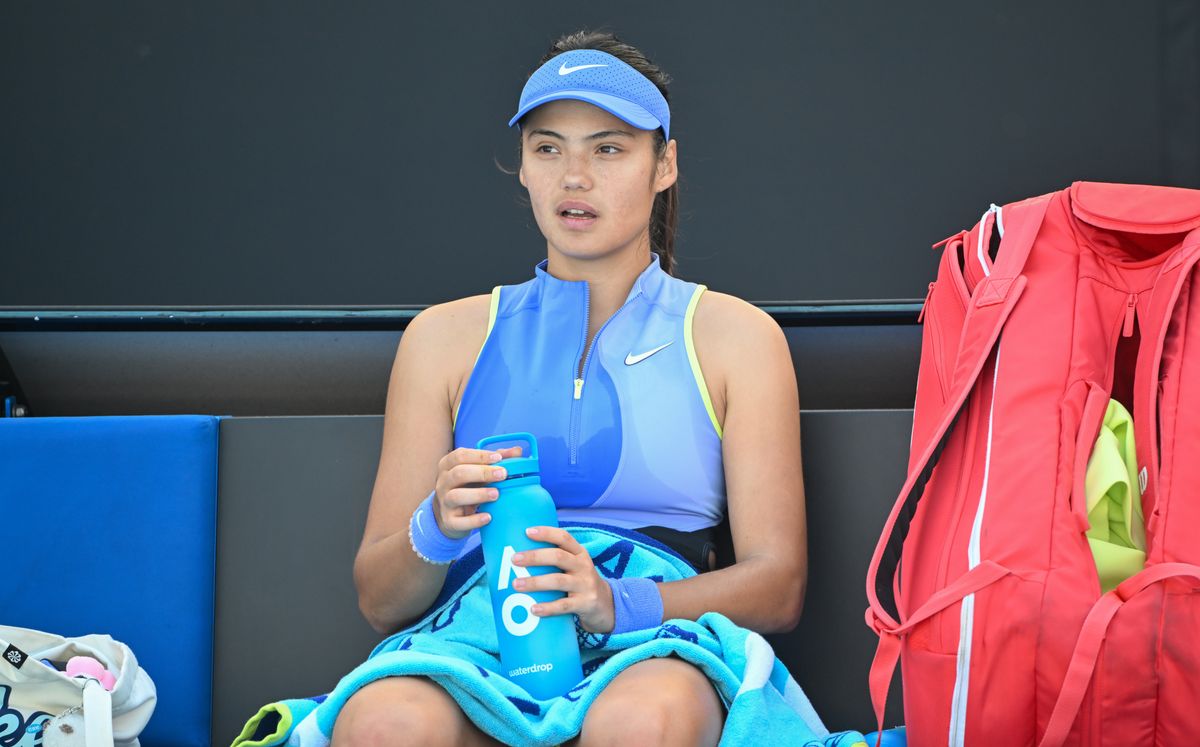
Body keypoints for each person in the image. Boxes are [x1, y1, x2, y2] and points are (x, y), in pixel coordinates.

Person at [336, 30, 807, 746]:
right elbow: (379, 599)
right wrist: (435, 523)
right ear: (523, 168)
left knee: (643, 718)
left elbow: (779, 586)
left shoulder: (738, 337)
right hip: (477, 636)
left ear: (664, 165)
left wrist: (617, 602)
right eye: (548, 148)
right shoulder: (440, 338)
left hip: (657, 640)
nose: (574, 176)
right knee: (383, 722)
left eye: (608, 149)